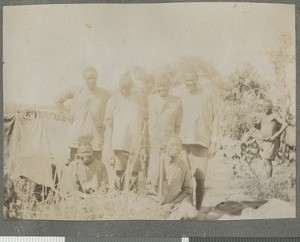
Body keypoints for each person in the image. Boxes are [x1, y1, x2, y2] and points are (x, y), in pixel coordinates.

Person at [179, 71, 219, 211]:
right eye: (187, 81)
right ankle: (189, 210)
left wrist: (214, 142)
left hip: (202, 141)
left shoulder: (208, 94)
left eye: (192, 80)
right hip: (184, 142)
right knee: (186, 178)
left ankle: (199, 208)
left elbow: (216, 118)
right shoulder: (181, 96)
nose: (190, 83)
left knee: (200, 179)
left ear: (197, 79)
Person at [55, 66, 111, 164]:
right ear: (84, 78)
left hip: (95, 137)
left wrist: (106, 124)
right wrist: (68, 115)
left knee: (96, 166)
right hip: (77, 136)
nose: (91, 80)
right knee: (75, 166)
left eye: (94, 77)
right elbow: (57, 100)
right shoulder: (77, 90)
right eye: (88, 78)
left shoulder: (105, 93)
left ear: (97, 78)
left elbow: (117, 102)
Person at [104, 73, 147, 191]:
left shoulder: (139, 101)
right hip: (119, 144)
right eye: (122, 87)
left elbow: (143, 126)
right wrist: (109, 150)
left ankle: (132, 201)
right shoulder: (113, 101)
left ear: (132, 86)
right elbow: (109, 127)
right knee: (119, 173)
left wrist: (143, 147)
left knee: (134, 174)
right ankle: (118, 201)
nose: (125, 90)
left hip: (135, 145)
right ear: (119, 86)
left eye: (127, 87)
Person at [145, 134, 195, 220]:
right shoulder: (159, 160)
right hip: (154, 201)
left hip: (173, 204)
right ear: (166, 147)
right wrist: (157, 158)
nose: (176, 148)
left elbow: (187, 190)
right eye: (172, 145)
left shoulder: (184, 165)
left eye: (178, 145)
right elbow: (152, 183)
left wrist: (171, 204)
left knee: (189, 213)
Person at [147, 77, 182, 186]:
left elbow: (177, 125)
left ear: (169, 86)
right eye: (159, 86)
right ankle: (153, 196)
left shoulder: (176, 101)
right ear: (156, 87)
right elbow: (145, 122)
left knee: (169, 174)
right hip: (154, 142)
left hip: (169, 143)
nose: (162, 88)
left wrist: (176, 144)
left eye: (164, 85)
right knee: (154, 173)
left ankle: (168, 198)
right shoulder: (150, 100)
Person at [255, 99, 288, 178]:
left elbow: (285, 124)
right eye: (265, 106)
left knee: (267, 160)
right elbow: (258, 126)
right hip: (263, 141)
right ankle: (269, 181)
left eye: (268, 106)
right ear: (263, 107)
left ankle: (268, 182)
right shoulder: (262, 115)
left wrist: (275, 135)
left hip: (271, 141)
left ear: (272, 107)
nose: (266, 108)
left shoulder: (274, 115)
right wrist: (257, 131)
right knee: (266, 162)